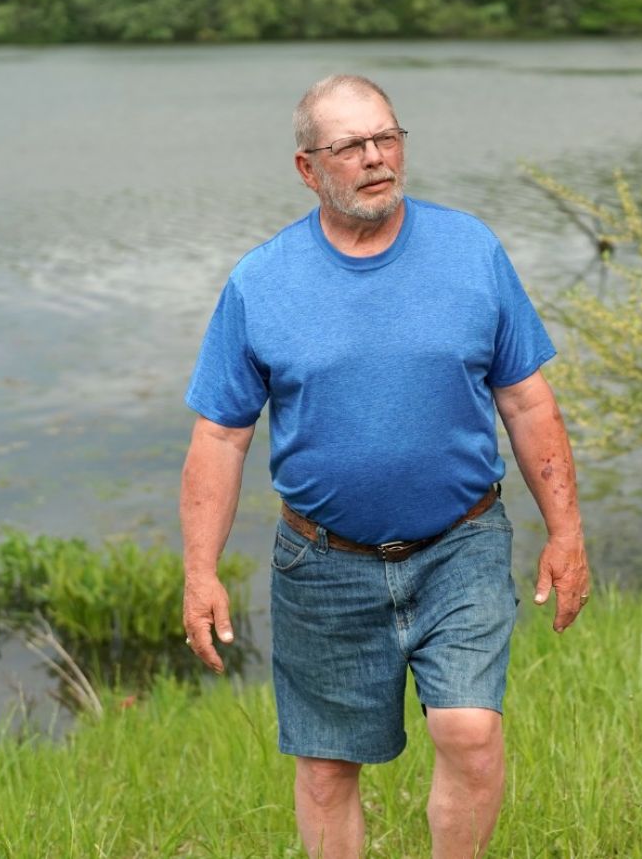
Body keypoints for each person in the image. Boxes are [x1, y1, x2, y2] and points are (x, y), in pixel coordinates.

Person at [179, 73, 590, 859]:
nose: (376, 158)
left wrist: (565, 529)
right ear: (308, 168)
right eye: (351, 146)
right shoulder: (261, 282)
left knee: (469, 732)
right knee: (329, 769)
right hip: (321, 561)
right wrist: (201, 571)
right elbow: (220, 438)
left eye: (387, 138)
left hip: (461, 543)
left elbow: (528, 402)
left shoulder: (471, 250)